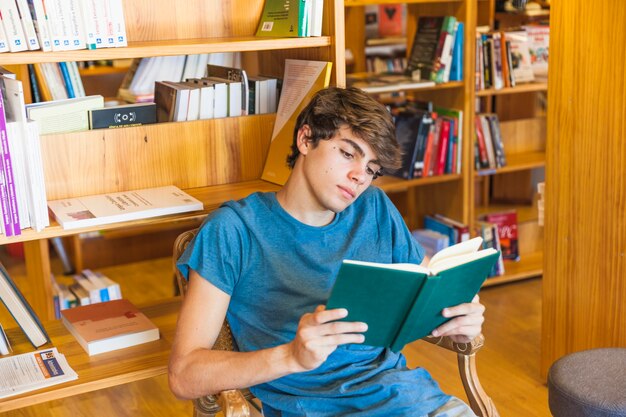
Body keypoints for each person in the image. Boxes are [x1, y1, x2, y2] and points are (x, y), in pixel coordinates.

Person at [169, 87, 485, 417]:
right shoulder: (234, 230)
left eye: (372, 169)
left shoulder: (374, 208)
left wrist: (459, 317)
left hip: (410, 400)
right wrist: (292, 356)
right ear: (306, 140)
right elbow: (184, 374)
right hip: (311, 408)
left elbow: (426, 290)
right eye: (348, 153)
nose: (360, 177)